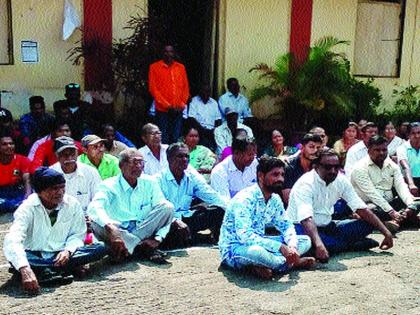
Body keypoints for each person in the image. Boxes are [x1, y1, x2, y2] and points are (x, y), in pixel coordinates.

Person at [3, 167, 107, 293]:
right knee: (17, 257)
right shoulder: (27, 208)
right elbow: (13, 239)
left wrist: (67, 251)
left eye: (62, 187)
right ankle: (55, 270)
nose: (60, 192)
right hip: (35, 254)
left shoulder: (72, 204)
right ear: (40, 191)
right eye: (54, 189)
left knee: (100, 248)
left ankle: (45, 271)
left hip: (61, 254)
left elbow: (78, 234)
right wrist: (25, 269)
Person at [287, 149, 394, 263]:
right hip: (302, 228)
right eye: (328, 167)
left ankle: (338, 245)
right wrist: (319, 245)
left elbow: (360, 208)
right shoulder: (306, 184)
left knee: (367, 224)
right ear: (316, 166)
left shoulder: (341, 180)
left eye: (336, 167)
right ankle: (347, 245)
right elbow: (306, 218)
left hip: (329, 227)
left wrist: (386, 232)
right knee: (312, 243)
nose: (333, 171)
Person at [219, 156, 315, 280]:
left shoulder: (275, 199)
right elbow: (245, 236)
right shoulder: (245, 199)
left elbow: (286, 225)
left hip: (261, 241)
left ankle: (267, 265)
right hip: (236, 247)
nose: (280, 179)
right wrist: (280, 247)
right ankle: (291, 263)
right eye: (275, 174)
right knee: (257, 253)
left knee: (305, 240)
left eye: (282, 174)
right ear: (261, 176)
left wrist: (291, 247)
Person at [88, 149, 174, 263]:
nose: (138, 166)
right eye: (134, 162)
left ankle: (132, 248)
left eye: (141, 162)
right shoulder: (108, 185)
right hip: (119, 232)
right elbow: (94, 207)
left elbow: (162, 208)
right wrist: (110, 227)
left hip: (142, 229)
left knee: (167, 207)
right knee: (96, 223)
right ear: (121, 165)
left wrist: (158, 239)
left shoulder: (150, 182)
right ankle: (142, 248)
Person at [156, 143, 227, 247]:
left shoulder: (191, 177)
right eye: (180, 156)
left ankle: (192, 238)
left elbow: (211, 195)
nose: (185, 159)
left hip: (186, 218)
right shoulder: (158, 180)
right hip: (168, 222)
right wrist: (175, 221)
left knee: (218, 211)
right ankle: (194, 238)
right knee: (169, 231)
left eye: (187, 156)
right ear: (169, 159)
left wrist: (232, 209)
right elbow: (157, 210)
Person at [351, 136, 419, 233]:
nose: (381, 153)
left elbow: (401, 187)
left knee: (416, 203)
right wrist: (391, 212)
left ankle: (394, 220)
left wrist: (410, 205)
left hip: (389, 205)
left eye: (384, 150)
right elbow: (372, 194)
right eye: (377, 150)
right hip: (369, 205)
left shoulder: (392, 166)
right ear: (369, 150)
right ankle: (399, 220)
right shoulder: (359, 168)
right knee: (370, 210)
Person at [148, 45, 190, 144]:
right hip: (163, 110)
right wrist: (167, 106)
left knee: (176, 136)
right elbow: (153, 89)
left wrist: (182, 104)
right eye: (166, 52)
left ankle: (175, 158)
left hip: (178, 109)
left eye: (170, 52)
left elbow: (185, 87)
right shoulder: (154, 67)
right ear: (162, 53)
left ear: (174, 53)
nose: (168, 54)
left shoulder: (180, 67)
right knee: (163, 137)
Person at [50, 136, 101, 214]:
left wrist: (91, 216)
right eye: (65, 155)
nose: (70, 158)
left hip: (86, 217)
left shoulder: (91, 172)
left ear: (77, 154)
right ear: (57, 156)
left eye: (73, 154)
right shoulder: (50, 174)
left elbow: (98, 200)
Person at [281, 134, 323, 205]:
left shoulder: (320, 166)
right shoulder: (289, 166)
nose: (315, 150)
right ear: (302, 147)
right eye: (311, 147)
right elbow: (288, 198)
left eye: (318, 147)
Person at [0, 134, 31, 212]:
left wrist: (27, 196)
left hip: (17, 190)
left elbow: (27, 179)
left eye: (11, 143)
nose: (9, 146)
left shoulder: (23, 160)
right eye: (4, 144)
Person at [397, 122, 420, 197]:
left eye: (419, 133)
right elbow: (405, 167)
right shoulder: (402, 148)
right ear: (408, 135)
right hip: (408, 180)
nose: (417, 136)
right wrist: (411, 184)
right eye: (413, 133)